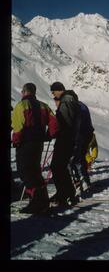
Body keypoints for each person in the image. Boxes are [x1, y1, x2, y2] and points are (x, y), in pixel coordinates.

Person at [11, 83, 58, 213]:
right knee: (35, 171)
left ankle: (37, 202)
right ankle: (42, 200)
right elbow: (54, 122)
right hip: (38, 144)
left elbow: (18, 126)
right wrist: (49, 135)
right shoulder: (44, 106)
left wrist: (16, 140)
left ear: (24, 92)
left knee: (25, 172)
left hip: (25, 143)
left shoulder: (21, 106)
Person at [49, 82, 80, 207]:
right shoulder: (71, 100)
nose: (53, 94)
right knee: (61, 167)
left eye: (53, 91)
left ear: (58, 90)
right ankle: (68, 193)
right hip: (70, 138)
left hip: (65, 138)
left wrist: (55, 130)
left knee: (56, 166)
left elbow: (64, 121)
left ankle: (63, 194)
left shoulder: (65, 101)